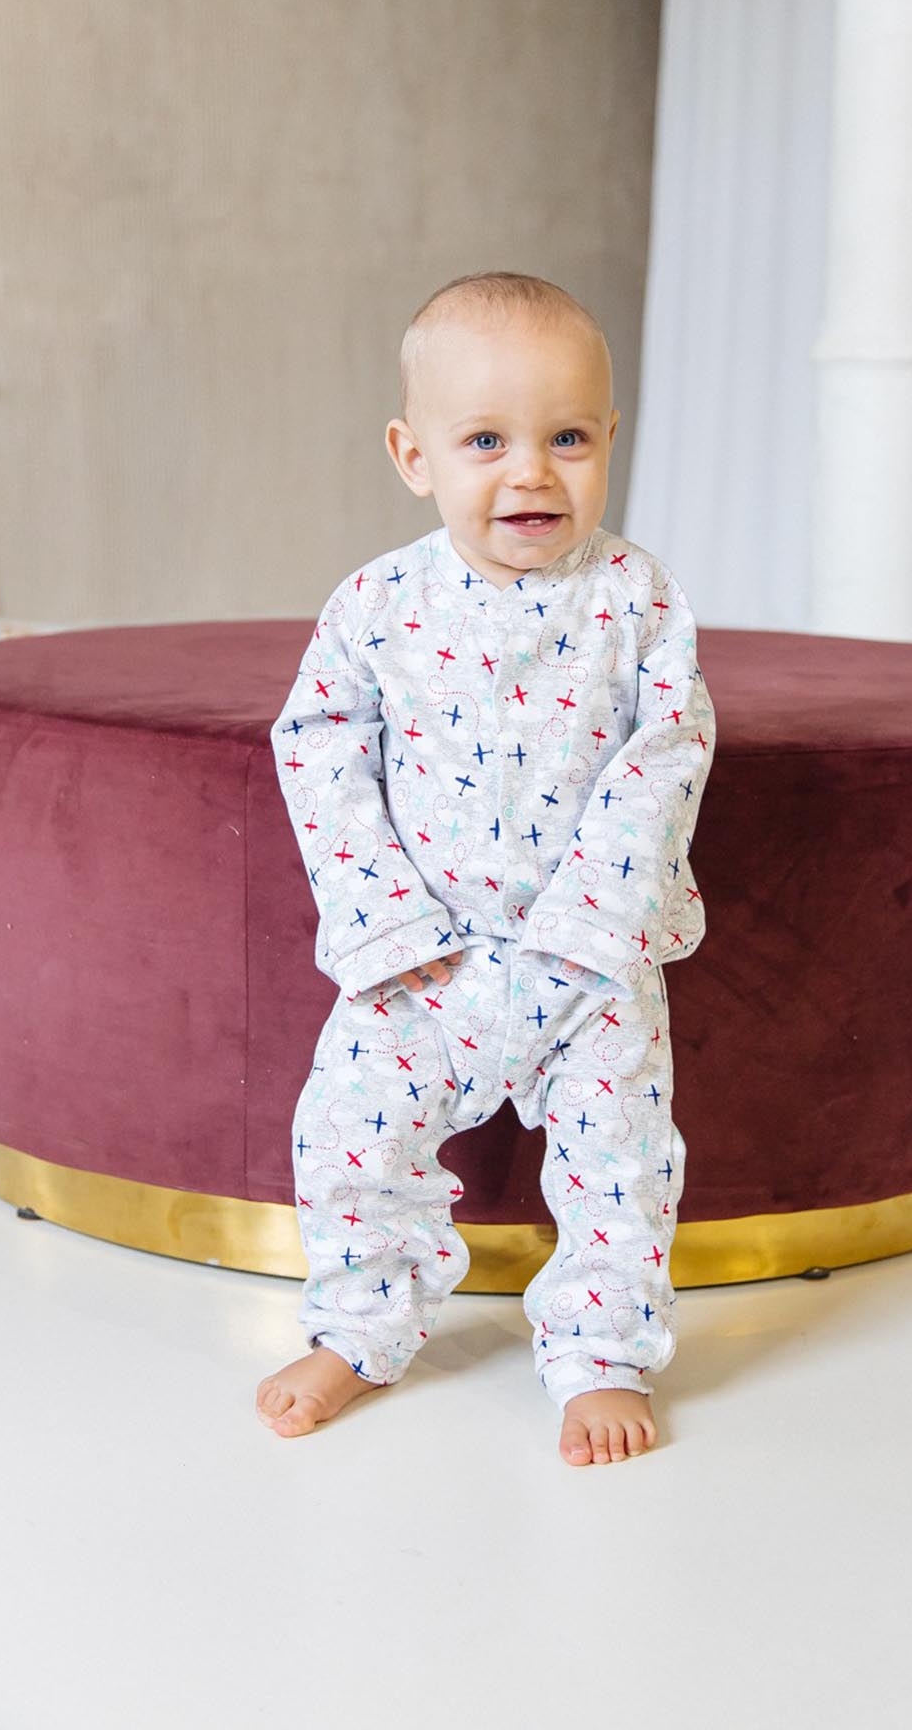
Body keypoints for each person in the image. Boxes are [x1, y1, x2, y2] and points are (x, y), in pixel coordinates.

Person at [256, 270, 716, 1464]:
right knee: (347, 1134)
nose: (532, 474)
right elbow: (320, 747)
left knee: (622, 1163)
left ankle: (602, 1354)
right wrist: (386, 926)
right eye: (485, 442)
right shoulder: (378, 604)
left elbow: (667, 752)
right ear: (414, 456)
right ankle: (361, 1328)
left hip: (589, 961)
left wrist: (596, 932)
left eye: (568, 438)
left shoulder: (636, 601)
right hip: (425, 961)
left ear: (610, 438)